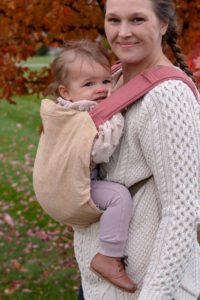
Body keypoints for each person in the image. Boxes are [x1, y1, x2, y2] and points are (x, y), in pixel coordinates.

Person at [74, 0, 200, 299]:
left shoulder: (168, 96)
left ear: (163, 25)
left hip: (147, 285)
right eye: (114, 20)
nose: (123, 32)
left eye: (137, 20)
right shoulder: (111, 79)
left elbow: (183, 210)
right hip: (100, 280)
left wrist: (156, 294)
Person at [44, 40, 137, 293]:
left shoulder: (64, 108)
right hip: (76, 185)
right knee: (118, 197)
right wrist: (117, 115)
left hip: (61, 186)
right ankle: (108, 255)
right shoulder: (83, 113)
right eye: (89, 84)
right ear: (66, 92)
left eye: (106, 81)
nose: (100, 89)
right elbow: (99, 151)